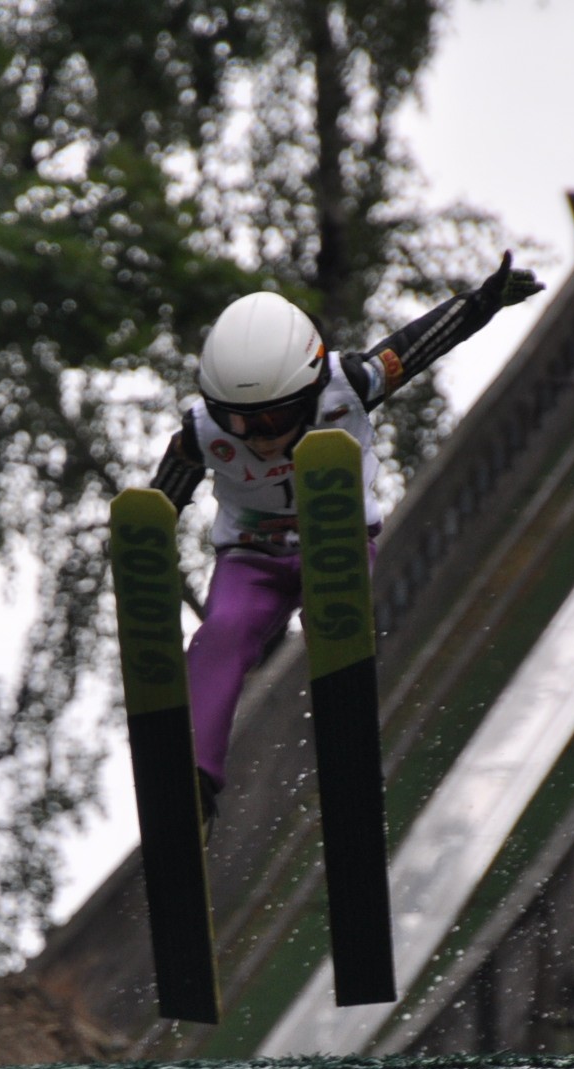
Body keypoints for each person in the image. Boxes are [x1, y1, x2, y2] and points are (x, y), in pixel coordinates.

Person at [150, 254, 545, 822]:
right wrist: (143, 544)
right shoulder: (200, 431)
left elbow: (417, 345)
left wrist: (483, 301)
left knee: (332, 615)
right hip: (251, 559)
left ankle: (346, 737)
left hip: (334, 541)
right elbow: (161, 502)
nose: (255, 437)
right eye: (239, 421)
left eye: (270, 420)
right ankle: (191, 773)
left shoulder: (350, 384)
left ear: (308, 387)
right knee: (224, 631)